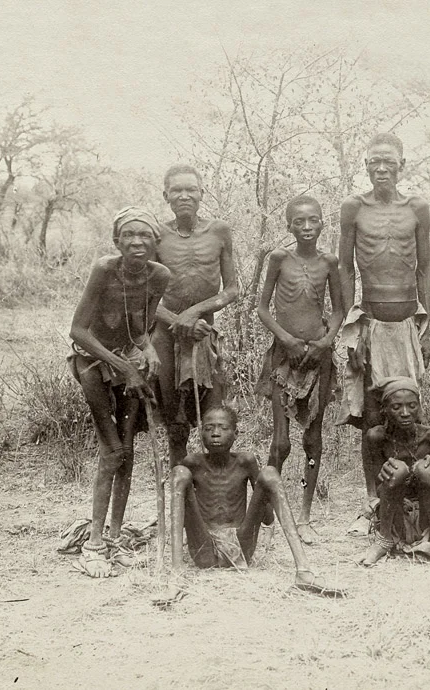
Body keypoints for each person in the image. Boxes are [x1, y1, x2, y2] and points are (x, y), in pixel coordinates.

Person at [68, 207, 171, 577]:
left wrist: (148, 349)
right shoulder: (104, 270)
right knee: (111, 450)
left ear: (156, 243)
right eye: (129, 235)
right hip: (93, 360)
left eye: (145, 235)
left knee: (127, 452)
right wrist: (126, 366)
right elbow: (79, 331)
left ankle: (113, 540)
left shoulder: (160, 275)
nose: (137, 242)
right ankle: (93, 545)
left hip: (128, 362)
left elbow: (140, 326)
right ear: (116, 242)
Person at [338, 133, 430, 532]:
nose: (381, 168)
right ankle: (373, 503)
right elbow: (344, 267)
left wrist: (425, 327)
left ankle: (411, 498)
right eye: (374, 161)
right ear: (365, 166)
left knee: (408, 413)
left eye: (388, 162)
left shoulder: (418, 207)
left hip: (408, 322)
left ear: (401, 165)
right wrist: (351, 330)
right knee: (373, 421)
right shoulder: (353, 207)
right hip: (371, 322)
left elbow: (425, 267)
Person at [170, 406, 346, 597]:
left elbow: (266, 514)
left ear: (236, 433)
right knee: (179, 473)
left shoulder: (245, 461)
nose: (215, 434)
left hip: (241, 545)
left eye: (222, 428)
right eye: (209, 428)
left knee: (270, 472)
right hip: (203, 549)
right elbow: (183, 507)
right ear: (201, 433)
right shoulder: (193, 463)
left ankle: (304, 571)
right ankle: (176, 573)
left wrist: (265, 509)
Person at [255, 196, 344, 544]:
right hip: (284, 357)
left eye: (313, 221)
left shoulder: (329, 262)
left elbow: (339, 310)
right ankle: (267, 505)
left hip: (317, 358)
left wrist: (325, 342)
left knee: (313, 438)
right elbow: (263, 309)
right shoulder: (279, 258)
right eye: (299, 222)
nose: (306, 228)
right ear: (288, 225)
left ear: (323, 223)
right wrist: (287, 340)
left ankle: (304, 515)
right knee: (280, 441)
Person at [153, 164, 240, 465]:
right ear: (166, 196)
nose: (184, 196)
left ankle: (213, 493)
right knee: (175, 425)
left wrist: (196, 312)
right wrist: (178, 321)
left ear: (202, 193)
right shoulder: (156, 234)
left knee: (214, 418)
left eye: (191, 189)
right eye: (176, 190)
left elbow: (232, 289)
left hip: (206, 333)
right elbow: (146, 298)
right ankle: (181, 495)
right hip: (166, 334)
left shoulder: (219, 231)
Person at [358, 378, 430, 568]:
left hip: (428, 510)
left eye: (411, 406)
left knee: (425, 468)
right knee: (397, 470)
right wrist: (387, 473)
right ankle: (384, 541)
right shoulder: (376, 437)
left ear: (419, 407)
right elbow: (378, 486)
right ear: (384, 409)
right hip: (393, 512)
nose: (405, 413)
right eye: (396, 407)